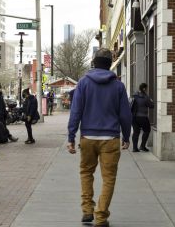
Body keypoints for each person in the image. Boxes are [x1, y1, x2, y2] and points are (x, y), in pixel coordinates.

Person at [67, 48, 132, 227]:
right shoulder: (118, 86)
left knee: (86, 173)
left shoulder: (83, 83)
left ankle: (87, 210)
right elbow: (125, 115)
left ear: (94, 62)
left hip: (87, 137)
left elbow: (76, 112)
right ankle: (101, 217)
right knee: (108, 178)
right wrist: (127, 136)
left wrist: (71, 136)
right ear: (110, 63)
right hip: (110, 138)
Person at [130, 83, 154, 152]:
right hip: (143, 117)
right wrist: (150, 99)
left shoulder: (134, 95)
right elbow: (152, 106)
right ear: (144, 88)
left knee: (136, 132)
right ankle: (142, 146)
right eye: (146, 88)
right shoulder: (145, 97)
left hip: (134, 117)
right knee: (147, 130)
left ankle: (134, 148)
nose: (147, 89)